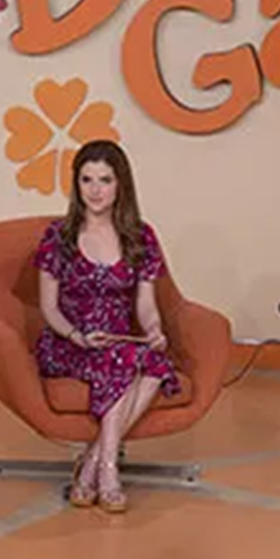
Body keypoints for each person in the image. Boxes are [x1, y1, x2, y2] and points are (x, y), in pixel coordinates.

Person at [33, 139, 181, 512]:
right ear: (76, 185)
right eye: (87, 180)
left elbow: (146, 304)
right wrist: (77, 336)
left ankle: (92, 463)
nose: (95, 190)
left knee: (154, 362)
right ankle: (109, 473)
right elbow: (48, 308)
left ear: (120, 185)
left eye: (105, 180)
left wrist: (154, 330)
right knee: (123, 362)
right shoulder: (58, 236)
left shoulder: (141, 237)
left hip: (117, 339)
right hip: (68, 340)